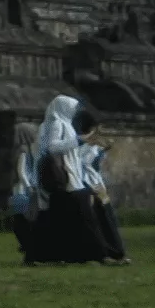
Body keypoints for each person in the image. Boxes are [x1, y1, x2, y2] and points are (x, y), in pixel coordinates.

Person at [24, 95, 112, 264]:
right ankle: (98, 254)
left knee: (54, 219)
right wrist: (80, 140)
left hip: (68, 176)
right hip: (66, 177)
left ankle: (47, 256)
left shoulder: (56, 124)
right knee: (84, 216)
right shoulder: (58, 124)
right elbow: (52, 147)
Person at [77, 116, 131, 265]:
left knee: (105, 218)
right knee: (102, 219)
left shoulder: (88, 146)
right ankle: (109, 252)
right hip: (91, 185)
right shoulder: (84, 147)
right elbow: (86, 165)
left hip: (93, 185)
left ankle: (115, 252)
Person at [6, 121, 39, 258]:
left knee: (22, 219)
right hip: (22, 189)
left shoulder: (20, 150)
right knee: (24, 219)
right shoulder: (24, 150)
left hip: (20, 188)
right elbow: (22, 172)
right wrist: (29, 186)